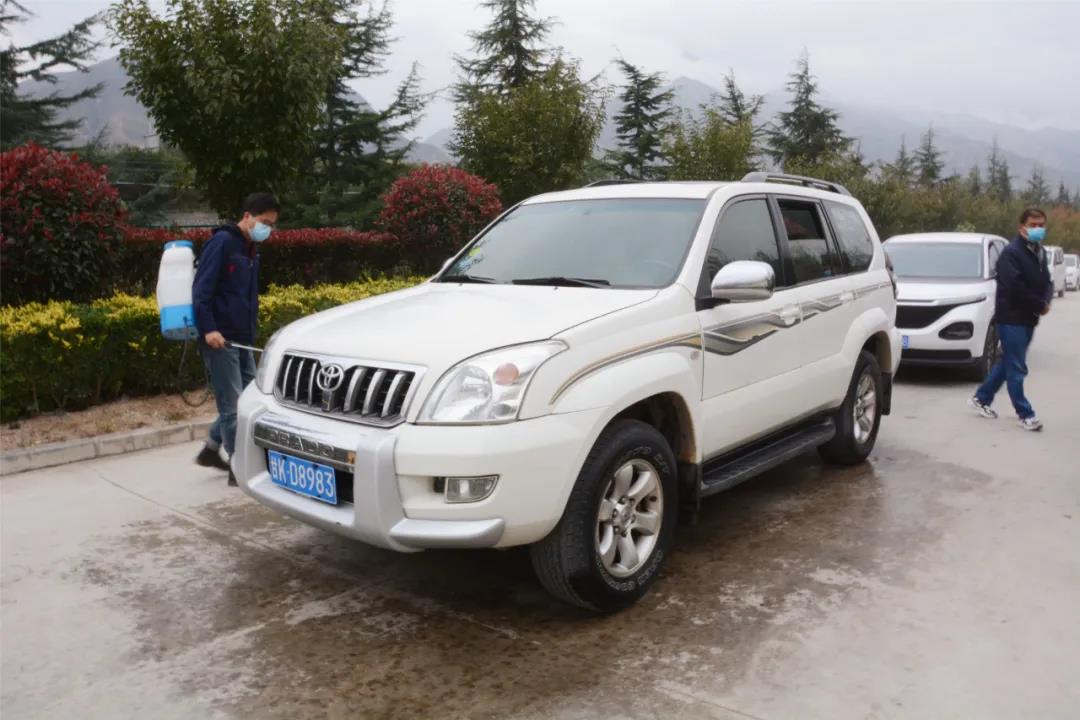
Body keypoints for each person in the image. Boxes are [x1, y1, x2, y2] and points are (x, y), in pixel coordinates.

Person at [193, 193, 279, 483]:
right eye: (264, 221)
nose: (267, 228)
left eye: (272, 224)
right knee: (232, 406)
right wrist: (209, 329)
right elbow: (201, 291)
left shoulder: (250, 249)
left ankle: (211, 447)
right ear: (247, 216)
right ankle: (238, 466)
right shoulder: (222, 243)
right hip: (220, 338)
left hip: (242, 338)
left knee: (250, 401)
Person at [968, 208, 1053, 431]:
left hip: (1029, 318)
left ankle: (981, 398)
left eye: (1041, 225)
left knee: (1008, 362)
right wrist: (1039, 304)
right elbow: (1015, 287)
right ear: (1021, 227)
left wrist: (1046, 300)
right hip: (1011, 318)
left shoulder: (1039, 252)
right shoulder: (1011, 253)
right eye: (1033, 225)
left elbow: (1047, 281)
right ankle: (1025, 414)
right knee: (1017, 367)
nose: (1038, 229)